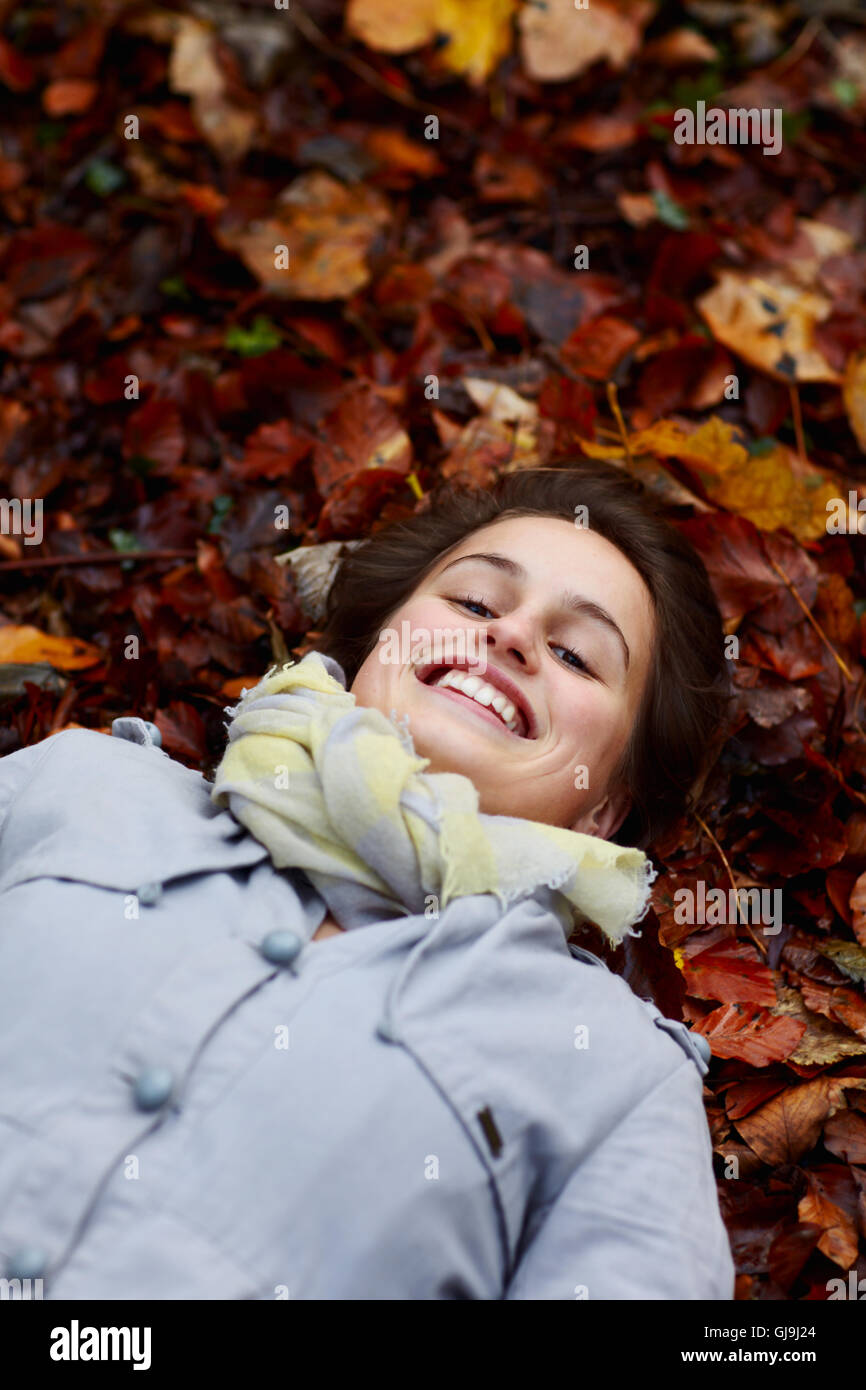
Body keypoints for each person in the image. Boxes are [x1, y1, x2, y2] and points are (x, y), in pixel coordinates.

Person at [0, 462, 735, 1300]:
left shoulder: (613, 1075)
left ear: (606, 807)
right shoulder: (75, 785)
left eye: (575, 652)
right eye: (474, 604)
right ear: (372, 648)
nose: (511, 637)